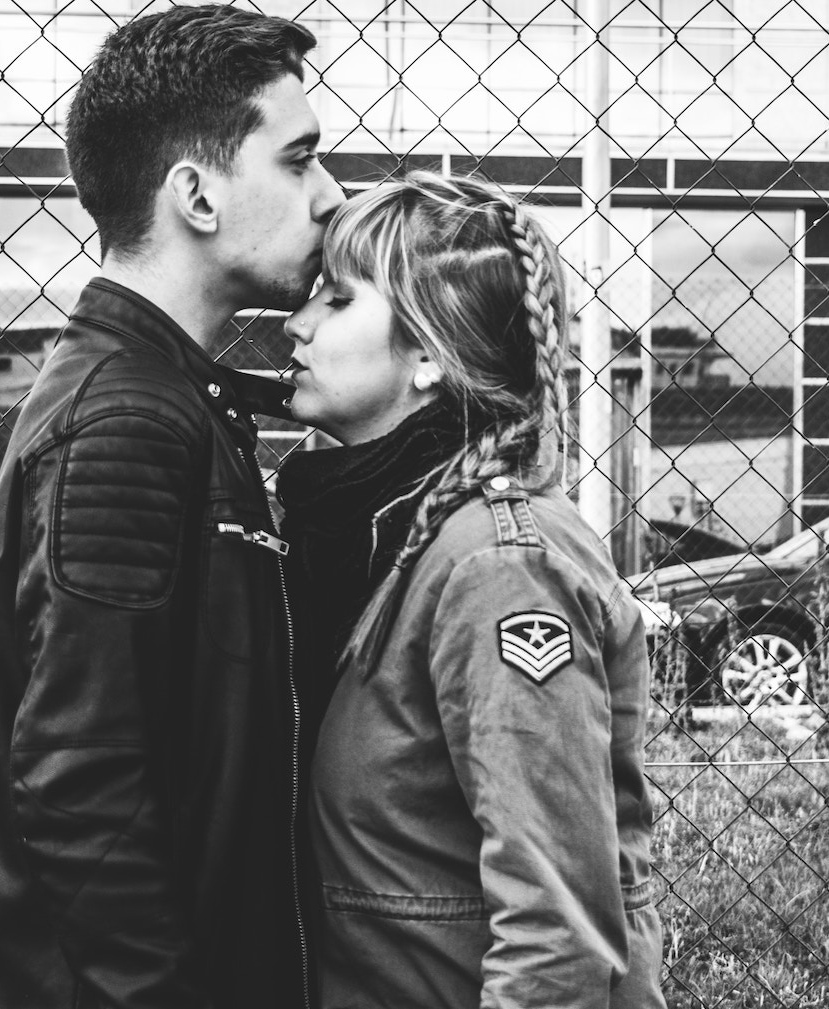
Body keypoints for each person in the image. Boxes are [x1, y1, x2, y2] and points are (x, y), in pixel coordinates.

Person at [0, 7, 343, 1009]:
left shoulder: (167, 395)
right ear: (196, 195)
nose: (331, 194)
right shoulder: (126, 422)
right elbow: (79, 782)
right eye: (298, 160)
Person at [277, 172, 666, 1009]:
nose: (295, 324)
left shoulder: (496, 567)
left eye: (336, 301)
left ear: (427, 353)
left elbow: (556, 931)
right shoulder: (379, 534)